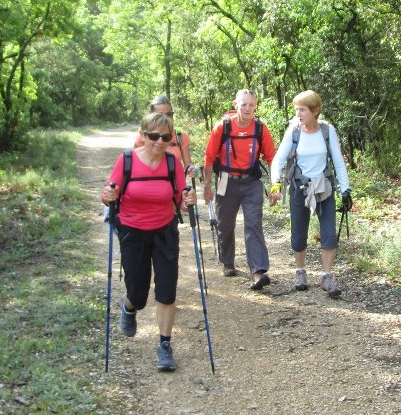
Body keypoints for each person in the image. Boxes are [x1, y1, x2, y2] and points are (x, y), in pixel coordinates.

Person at [101, 111, 197, 371]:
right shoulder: (127, 160)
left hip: (165, 231)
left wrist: (187, 201)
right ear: (142, 136)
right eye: (153, 136)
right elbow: (109, 193)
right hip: (132, 231)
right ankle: (129, 306)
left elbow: (180, 197)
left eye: (165, 137)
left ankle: (165, 346)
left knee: (166, 291)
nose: (159, 141)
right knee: (138, 293)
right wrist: (108, 195)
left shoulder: (171, 163)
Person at [269, 90, 352, 298]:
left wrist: (346, 189)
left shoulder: (327, 130)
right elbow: (278, 161)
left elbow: (338, 161)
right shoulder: (293, 131)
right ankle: (300, 272)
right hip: (299, 187)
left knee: (329, 233)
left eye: (302, 109)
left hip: (324, 187)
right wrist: (275, 187)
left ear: (315, 111)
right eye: (296, 109)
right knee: (298, 232)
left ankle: (326, 276)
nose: (298, 113)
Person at [202, 89, 277, 290]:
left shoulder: (261, 128)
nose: (247, 108)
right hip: (226, 181)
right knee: (225, 224)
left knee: (253, 224)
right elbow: (209, 156)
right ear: (236, 105)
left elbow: (271, 157)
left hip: (251, 182)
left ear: (255, 106)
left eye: (251, 105)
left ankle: (258, 271)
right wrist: (207, 185)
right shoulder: (223, 127)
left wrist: (275, 186)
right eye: (243, 104)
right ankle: (228, 261)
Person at [133, 94, 197, 176]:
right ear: (151, 115)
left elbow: (188, 164)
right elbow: (134, 164)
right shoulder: (145, 137)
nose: (165, 118)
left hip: (174, 185)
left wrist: (192, 169)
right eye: (160, 115)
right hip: (148, 183)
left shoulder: (181, 136)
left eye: (168, 114)